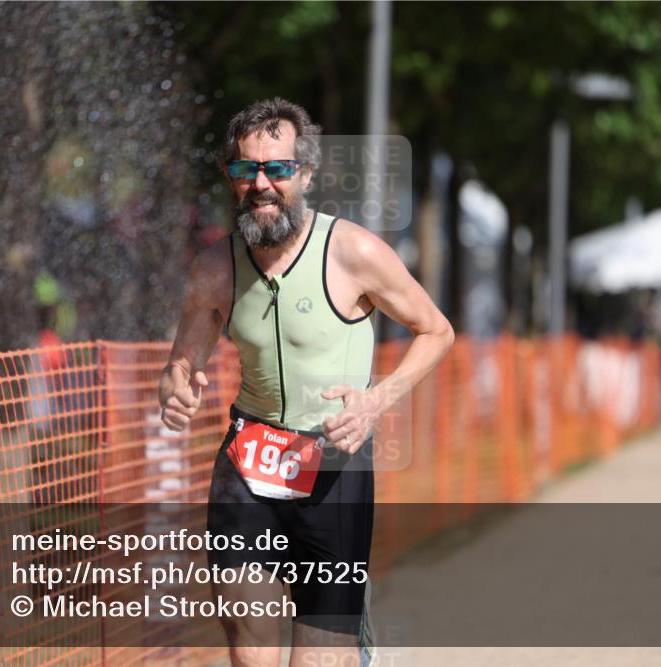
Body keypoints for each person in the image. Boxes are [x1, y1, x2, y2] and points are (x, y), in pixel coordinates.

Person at [158, 98, 454, 667]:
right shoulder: (215, 268)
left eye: (278, 168)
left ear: (307, 174)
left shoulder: (354, 252)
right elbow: (180, 365)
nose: (261, 184)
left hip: (333, 468)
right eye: (246, 169)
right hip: (248, 463)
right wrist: (175, 388)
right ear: (230, 176)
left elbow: (436, 331)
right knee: (251, 650)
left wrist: (374, 403)